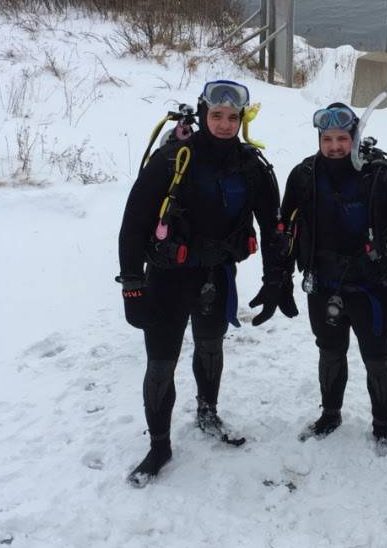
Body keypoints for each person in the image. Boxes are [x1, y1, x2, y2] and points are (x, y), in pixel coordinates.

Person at [117, 79, 297, 487]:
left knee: (211, 347)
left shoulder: (252, 166)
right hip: (167, 279)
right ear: (203, 115)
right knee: (161, 364)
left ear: (242, 120)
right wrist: (131, 284)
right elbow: (133, 223)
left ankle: (208, 413)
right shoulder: (173, 159)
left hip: (216, 277)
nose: (224, 124)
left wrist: (276, 280)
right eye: (216, 115)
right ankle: (159, 447)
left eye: (232, 117)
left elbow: (273, 227)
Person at [278, 103, 387, 453]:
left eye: (342, 139)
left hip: (374, 288)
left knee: (377, 358)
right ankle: (330, 415)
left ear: (355, 137)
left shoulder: (383, 178)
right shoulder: (304, 175)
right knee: (330, 352)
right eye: (327, 139)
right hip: (323, 284)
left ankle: (382, 427)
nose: (334, 147)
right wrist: (280, 277)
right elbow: (285, 229)